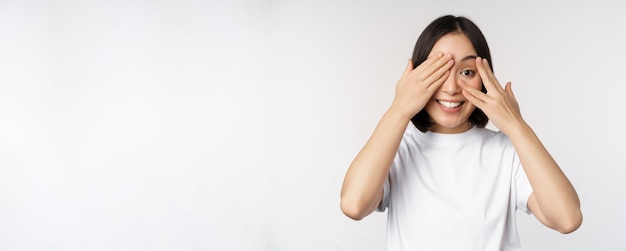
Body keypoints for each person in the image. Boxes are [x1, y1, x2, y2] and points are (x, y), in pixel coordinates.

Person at [339, 15, 582, 250]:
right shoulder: (397, 150)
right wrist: (399, 109)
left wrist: (516, 126)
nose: (452, 87)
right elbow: (353, 205)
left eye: (467, 72)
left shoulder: (506, 152)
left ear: (484, 79)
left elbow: (567, 219)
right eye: (439, 70)